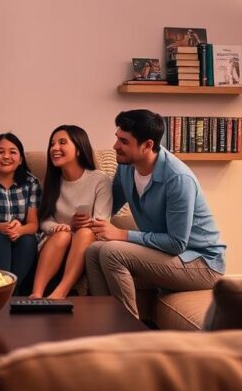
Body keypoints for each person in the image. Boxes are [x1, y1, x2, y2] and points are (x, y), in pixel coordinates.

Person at [85, 109, 225, 319]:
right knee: (94, 251)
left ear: (147, 145)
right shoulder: (127, 167)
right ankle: (103, 323)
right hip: (169, 255)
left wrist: (122, 235)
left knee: (112, 251)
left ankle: (127, 329)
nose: (115, 146)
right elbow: (108, 207)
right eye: (117, 139)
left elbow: (177, 243)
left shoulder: (177, 178)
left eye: (124, 141)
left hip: (200, 264)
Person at [31, 125, 112, 299]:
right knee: (62, 235)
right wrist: (65, 227)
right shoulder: (52, 181)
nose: (55, 148)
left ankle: (60, 293)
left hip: (86, 242)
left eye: (62, 143)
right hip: (56, 243)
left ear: (78, 149)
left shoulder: (100, 180)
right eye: (52, 144)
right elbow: (45, 219)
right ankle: (36, 294)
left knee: (83, 232)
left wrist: (76, 227)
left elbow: (101, 221)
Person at [0, 132, 41, 295]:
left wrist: (19, 229)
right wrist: (7, 227)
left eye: (13, 152)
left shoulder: (31, 182)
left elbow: (33, 224)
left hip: (22, 236)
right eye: (0, 152)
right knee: (0, 238)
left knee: (28, 241)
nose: (6, 156)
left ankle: (7, 294)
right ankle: (4, 293)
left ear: (21, 159)